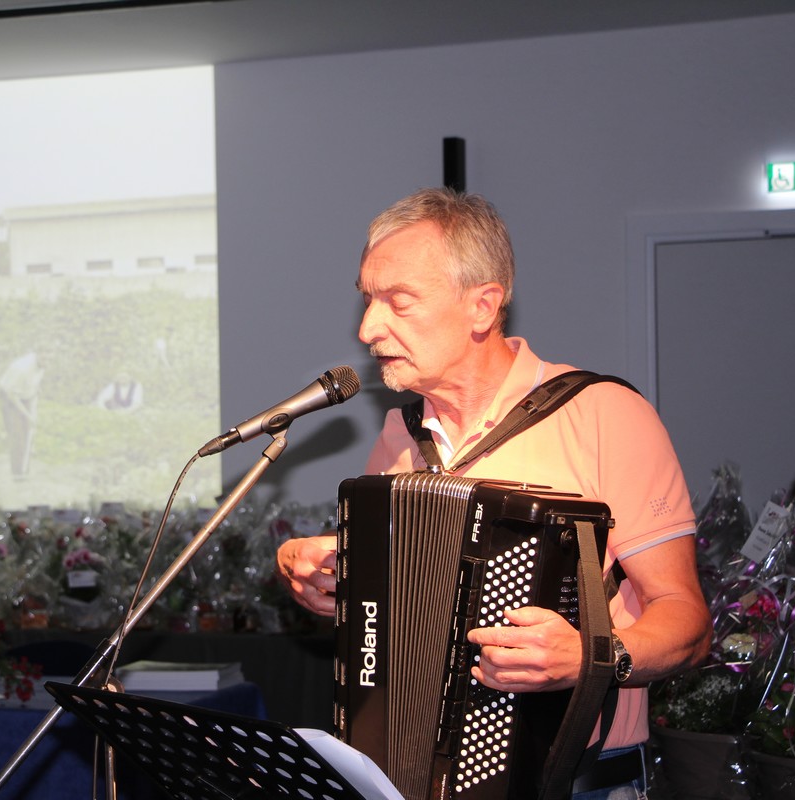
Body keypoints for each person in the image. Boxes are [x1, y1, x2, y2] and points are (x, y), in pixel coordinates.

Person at [275, 188, 712, 799]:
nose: (368, 328)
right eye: (367, 299)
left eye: (398, 301)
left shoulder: (603, 413)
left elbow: (688, 624)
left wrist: (588, 657)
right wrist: (316, 572)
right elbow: (387, 608)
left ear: (482, 307)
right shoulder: (401, 433)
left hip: (580, 784)